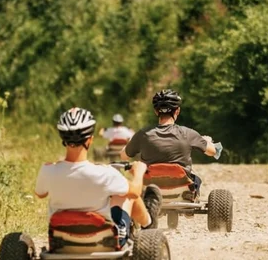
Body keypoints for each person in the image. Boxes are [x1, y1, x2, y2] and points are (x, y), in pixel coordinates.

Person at [35, 107, 162, 247]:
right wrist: (139, 172)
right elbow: (136, 191)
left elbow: (40, 193)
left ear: (63, 139)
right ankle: (149, 226)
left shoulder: (48, 170)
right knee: (128, 196)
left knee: (120, 193)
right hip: (104, 242)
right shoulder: (105, 173)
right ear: (90, 140)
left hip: (61, 241)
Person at [120, 89, 217, 198]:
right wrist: (207, 141)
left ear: (156, 112)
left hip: (150, 189)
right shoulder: (188, 133)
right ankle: (190, 198)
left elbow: (124, 156)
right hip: (181, 188)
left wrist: (133, 140)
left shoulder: (143, 134)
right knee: (195, 178)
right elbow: (213, 152)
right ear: (177, 111)